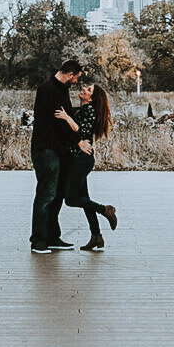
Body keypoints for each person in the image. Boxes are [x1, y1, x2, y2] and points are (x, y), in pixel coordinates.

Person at [55, 80, 118, 250]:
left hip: (81, 160)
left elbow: (81, 132)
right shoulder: (82, 109)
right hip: (78, 159)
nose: (84, 88)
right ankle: (96, 236)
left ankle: (105, 209)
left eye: (88, 89)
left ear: (91, 98)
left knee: (71, 199)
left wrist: (67, 117)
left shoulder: (89, 110)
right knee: (84, 200)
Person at [29, 59, 82, 254]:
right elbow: (60, 122)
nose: (76, 82)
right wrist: (78, 141)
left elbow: (67, 117)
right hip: (45, 149)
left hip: (59, 150)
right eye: (76, 78)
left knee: (57, 194)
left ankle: (52, 236)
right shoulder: (47, 89)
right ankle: (38, 240)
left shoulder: (62, 90)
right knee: (46, 194)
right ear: (70, 74)